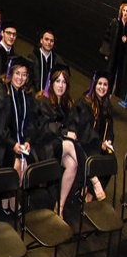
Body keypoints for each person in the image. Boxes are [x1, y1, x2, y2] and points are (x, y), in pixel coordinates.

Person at [0, 57, 36, 213]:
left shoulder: (26, 94)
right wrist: (12, 144)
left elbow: (31, 122)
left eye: (24, 74)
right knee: (16, 164)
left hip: (18, 142)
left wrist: (28, 141)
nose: (20, 78)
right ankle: (11, 200)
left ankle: (10, 199)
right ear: (10, 72)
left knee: (27, 163)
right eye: (17, 73)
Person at [32, 65, 79, 216]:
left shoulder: (67, 103)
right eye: (57, 81)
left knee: (72, 165)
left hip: (59, 145)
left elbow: (71, 125)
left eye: (64, 82)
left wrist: (68, 133)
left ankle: (60, 207)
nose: (61, 85)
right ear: (51, 82)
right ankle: (93, 179)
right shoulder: (43, 101)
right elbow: (44, 130)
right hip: (44, 146)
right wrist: (65, 132)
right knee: (70, 145)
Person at [71, 71, 115, 202]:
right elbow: (84, 130)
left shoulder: (106, 104)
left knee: (111, 159)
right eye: (99, 84)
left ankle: (89, 192)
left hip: (98, 143)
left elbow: (110, 128)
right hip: (84, 144)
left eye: (105, 85)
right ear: (94, 85)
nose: (102, 87)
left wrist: (108, 141)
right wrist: (99, 143)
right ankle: (90, 189)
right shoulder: (84, 103)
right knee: (96, 157)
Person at [25, 29, 66, 94]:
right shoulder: (32, 57)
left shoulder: (58, 61)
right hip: (33, 96)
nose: (49, 42)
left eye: (51, 41)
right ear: (41, 40)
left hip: (51, 99)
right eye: (46, 39)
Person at [103, 1, 127, 97]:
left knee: (119, 77)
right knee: (110, 74)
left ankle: (113, 94)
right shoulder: (115, 23)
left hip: (123, 56)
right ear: (121, 11)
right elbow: (107, 37)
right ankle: (106, 93)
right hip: (113, 54)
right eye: (124, 10)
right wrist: (106, 52)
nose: (125, 13)